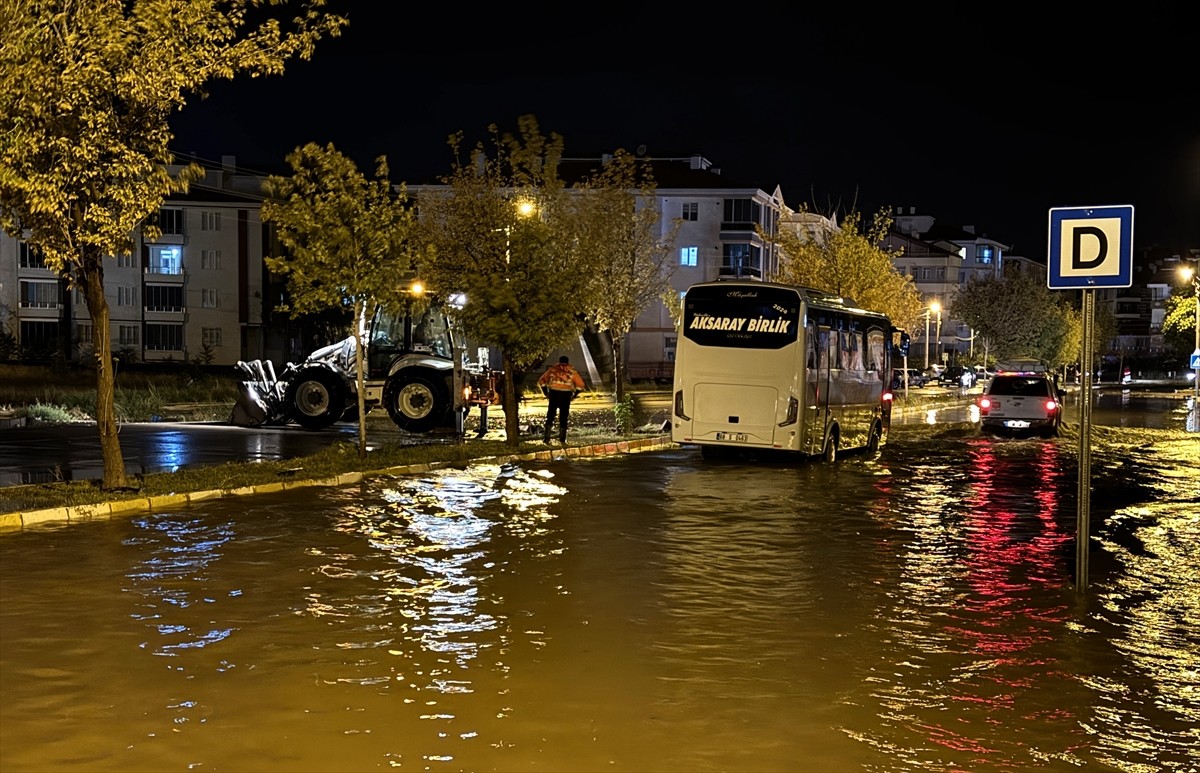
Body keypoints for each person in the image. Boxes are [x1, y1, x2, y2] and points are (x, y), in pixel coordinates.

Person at [537, 355, 585, 444]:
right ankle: (562, 439)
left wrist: (546, 393)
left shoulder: (552, 370)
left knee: (550, 416)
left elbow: (542, 381)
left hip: (553, 394)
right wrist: (574, 395)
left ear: (559, 361)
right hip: (565, 396)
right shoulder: (572, 371)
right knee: (563, 417)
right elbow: (581, 385)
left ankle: (546, 438)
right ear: (568, 362)